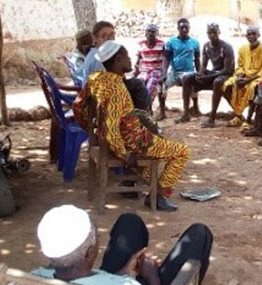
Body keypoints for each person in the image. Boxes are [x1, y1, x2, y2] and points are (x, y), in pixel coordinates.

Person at [84, 41, 191, 211]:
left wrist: (97, 135)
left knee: (155, 137)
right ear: (118, 59)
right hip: (134, 141)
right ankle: (158, 196)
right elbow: (111, 127)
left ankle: (140, 184)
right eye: (126, 55)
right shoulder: (117, 89)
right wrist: (125, 155)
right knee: (182, 152)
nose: (129, 59)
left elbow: (84, 108)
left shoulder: (96, 79)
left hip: (121, 138)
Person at [34, 205, 213, 285]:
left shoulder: (30, 280)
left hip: (103, 283)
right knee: (200, 234)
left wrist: (123, 273)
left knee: (130, 222)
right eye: (95, 236)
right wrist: (153, 278)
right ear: (89, 252)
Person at [205, 26, 262, 128]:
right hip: (244, 76)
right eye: (249, 34)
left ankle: (248, 119)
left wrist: (248, 80)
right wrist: (239, 76)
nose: (251, 36)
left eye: (254, 34)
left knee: (252, 88)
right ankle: (238, 115)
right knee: (227, 85)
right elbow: (240, 66)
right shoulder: (243, 48)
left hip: (257, 78)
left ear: (258, 35)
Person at [177, 23, 235, 123]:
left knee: (217, 82)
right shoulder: (207, 46)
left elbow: (227, 70)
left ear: (219, 33)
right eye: (210, 32)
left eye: (215, 32)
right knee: (187, 78)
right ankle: (186, 114)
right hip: (214, 73)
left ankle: (212, 118)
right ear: (207, 34)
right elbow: (203, 65)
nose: (212, 35)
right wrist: (200, 73)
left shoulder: (226, 47)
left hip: (225, 75)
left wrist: (208, 77)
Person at [161, 18, 202, 121]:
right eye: (182, 27)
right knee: (161, 86)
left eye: (186, 27)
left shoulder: (195, 43)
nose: (184, 30)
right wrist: (164, 73)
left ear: (189, 28)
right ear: (178, 28)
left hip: (189, 72)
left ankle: (191, 110)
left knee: (189, 82)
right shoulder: (171, 42)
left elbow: (197, 59)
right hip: (174, 72)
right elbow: (166, 59)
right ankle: (162, 111)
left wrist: (199, 72)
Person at [134, 24, 165, 111]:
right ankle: (145, 107)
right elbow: (139, 59)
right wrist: (136, 71)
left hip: (156, 70)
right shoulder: (140, 44)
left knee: (150, 87)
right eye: (149, 31)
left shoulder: (161, 44)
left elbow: (165, 60)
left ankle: (146, 108)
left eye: (153, 32)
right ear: (145, 33)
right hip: (143, 71)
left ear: (157, 34)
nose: (150, 34)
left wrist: (164, 73)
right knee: (139, 84)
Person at [78, 21, 116, 87]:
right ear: (95, 38)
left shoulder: (97, 53)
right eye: (104, 36)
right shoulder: (98, 60)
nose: (109, 39)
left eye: (111, 35)